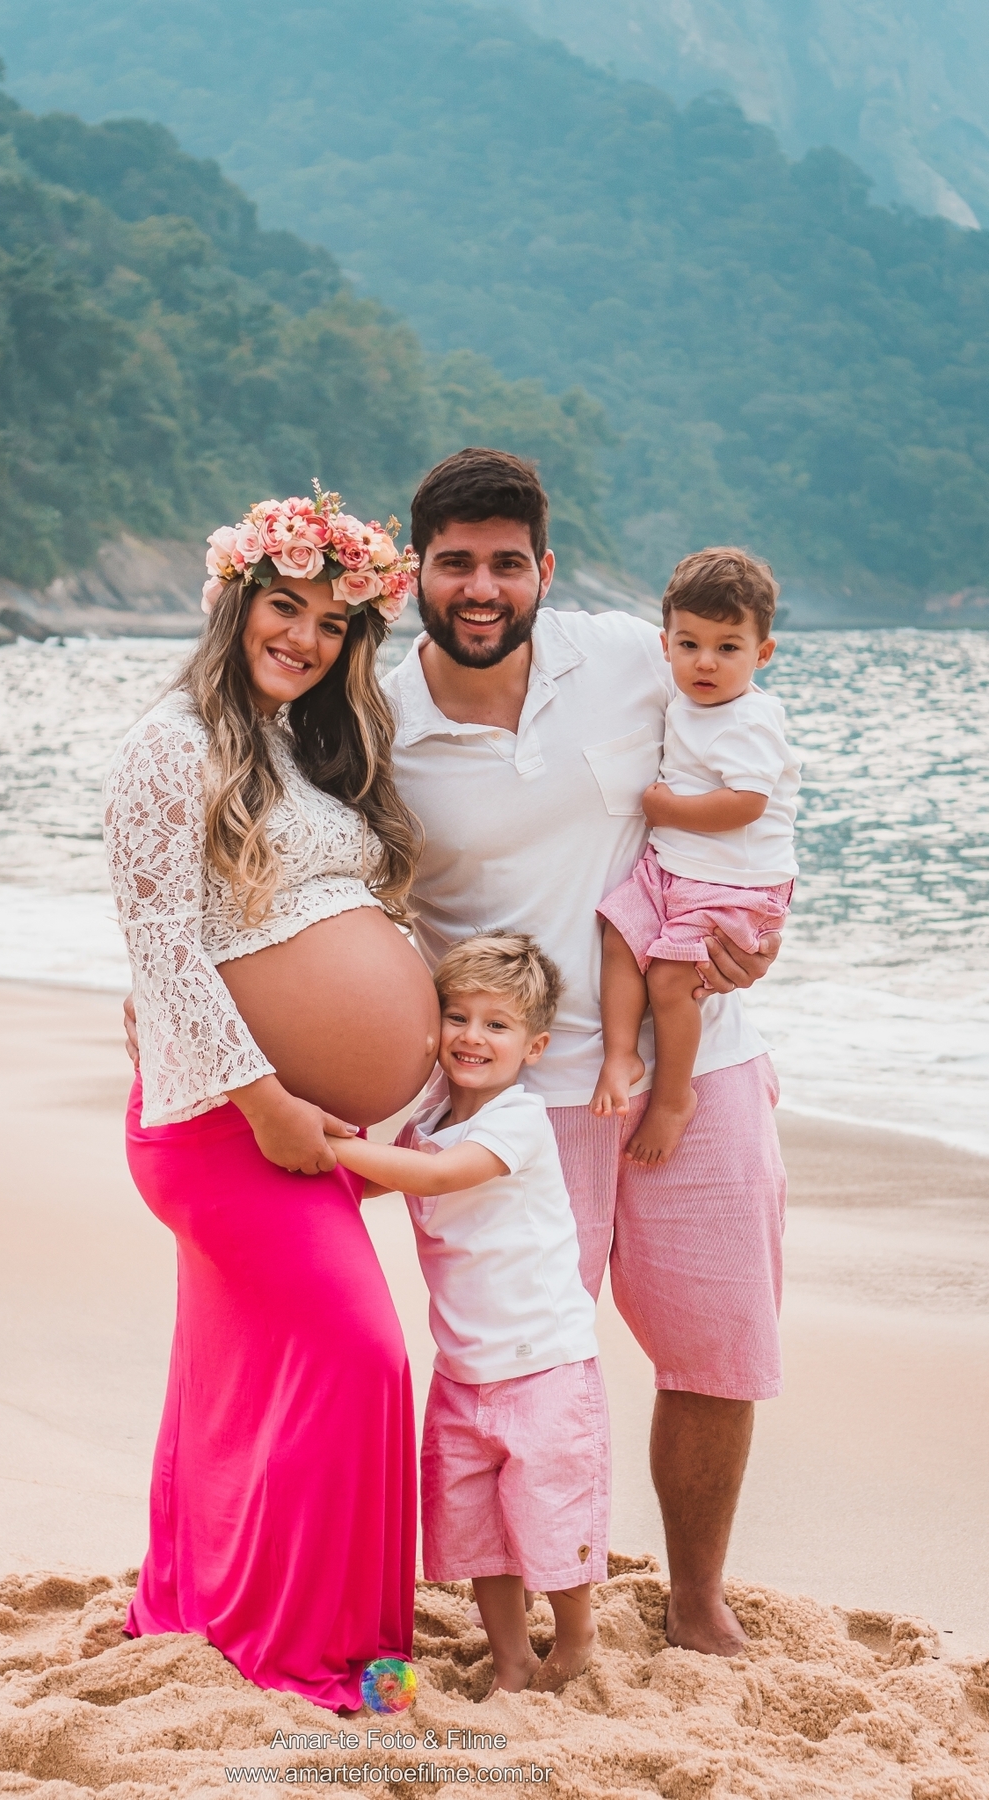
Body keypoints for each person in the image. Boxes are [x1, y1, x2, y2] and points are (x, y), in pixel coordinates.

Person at [382, 448, 787, 1658]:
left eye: (507, 562)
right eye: (455, 563)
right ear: (419, 573)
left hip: (695, 1062)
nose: (482, 586)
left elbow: (750, 758)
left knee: (718, 1344)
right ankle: (524, 1615)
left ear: (543, 569)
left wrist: (758, 921)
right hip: (508, 1099)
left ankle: (696, 1591)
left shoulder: (626, 658)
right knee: (511, 1370)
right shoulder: (375, 720)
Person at [103, 488, 440, 1712]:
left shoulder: (310, 748)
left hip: (296, 1125)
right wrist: (269, 1106)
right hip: (225, 1123)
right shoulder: (171, 741)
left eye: (331, 622)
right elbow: (162, 943)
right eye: (282, 607)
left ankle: (196, 1610)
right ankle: (320, 1662)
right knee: (359, 1361)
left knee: (236, 1377)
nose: (302, 636)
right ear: (237, 603)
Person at [327, 932, 606, 1698]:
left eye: (497, 1024)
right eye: (458, 1016)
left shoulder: (519, 1120)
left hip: (542, 1363)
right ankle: (511, 1656)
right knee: (473, 1528)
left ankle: (577, 1639)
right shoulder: (432, 1116)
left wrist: (332, 1147)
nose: (473, 1037)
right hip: (462, 1370)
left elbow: (440, 1173)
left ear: (535, 1045)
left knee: (549, 1519)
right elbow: (394, 1175)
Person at [592, 549, 801, 1167]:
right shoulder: (684, 697)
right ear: (665, 643)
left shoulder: (750, 720)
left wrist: (666, 810)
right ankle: (621, 1052)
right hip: (676, 869)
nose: (705, 662)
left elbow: (746, 804)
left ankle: (674, 1096)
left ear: (762, 653)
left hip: (735, 884)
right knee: (619, 932)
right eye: (689, 644)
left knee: (671, 976)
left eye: (728, 648)